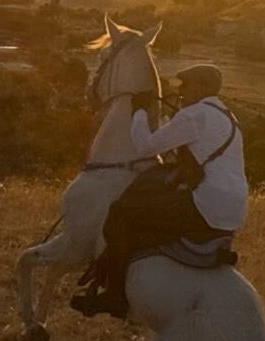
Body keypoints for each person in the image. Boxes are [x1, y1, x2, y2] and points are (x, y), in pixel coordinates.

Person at [71, 64, 248, 319]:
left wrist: (139, 112)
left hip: (205, 203)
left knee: (121, 214)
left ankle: (114, 296)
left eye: (186, 85)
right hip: (233, 209)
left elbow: (146, 147)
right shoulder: (227, 116)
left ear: (204, 86)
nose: (181, 90)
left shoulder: (195, 114)